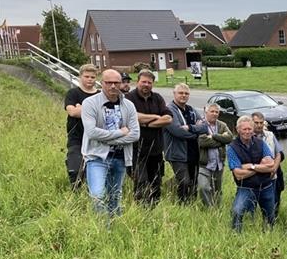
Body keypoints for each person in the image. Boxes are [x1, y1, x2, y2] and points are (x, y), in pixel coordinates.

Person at [80, 69, 140, 217]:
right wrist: (120, 132)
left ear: (121, 84)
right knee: (98, 195)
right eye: (109, 83)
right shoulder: (90, 103)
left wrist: (107, 138)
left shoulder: (129, 106)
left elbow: (135, 134)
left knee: (115, 196)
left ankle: (114, 228)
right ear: (102, 83)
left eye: (116, 82)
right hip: (97, 157)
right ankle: (102, 229)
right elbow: (91, 132)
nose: (113, 86)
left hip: (120, 157)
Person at [125, 69, 172, 205]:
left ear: (153, 84)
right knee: (141, 182)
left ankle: (154, 209)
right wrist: (156, 117)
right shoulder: (129, 98)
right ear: (137, 82)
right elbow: (132, 117)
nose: (146, 85)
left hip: (156, 150)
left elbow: (168, 118)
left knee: (156, 183)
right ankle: (141, 211)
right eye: (143, 82)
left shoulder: (157, 98)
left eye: (149, 82)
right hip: (136, 150)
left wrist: (145, 124)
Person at [228, 115, 277, 232]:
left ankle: (269, 235)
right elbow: (238, 174)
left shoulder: (261, 143)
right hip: (245, 187)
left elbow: (271, 166)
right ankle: (236, 235)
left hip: (266, 186)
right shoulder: (232, 148)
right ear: (238, 129)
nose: (247, 132)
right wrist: (261, 166)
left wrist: (251, 166)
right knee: (237, 211)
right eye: (244, 129)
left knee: (270, 215)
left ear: (253, 129)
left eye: (249, 129)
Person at [164, 83, 207, 203]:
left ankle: (191, 206)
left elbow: (205, 127)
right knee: (184, 181)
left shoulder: (191, 110)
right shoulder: (169, 110)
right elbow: (177, 131)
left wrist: (189, 127)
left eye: (186, 93)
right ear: (174, 94)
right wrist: (196, 132)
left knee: (193, 182)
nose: (183, 95)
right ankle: (182, 204)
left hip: (193, 152)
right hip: (177, 153)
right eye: (180, 93)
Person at [64, 63, 100, 189]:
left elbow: (104, 115)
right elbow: (72, 112)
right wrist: (93, 110)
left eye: (92, 77)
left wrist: (81, 108)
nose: (90, 79)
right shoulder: (73, 93)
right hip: (76, 137)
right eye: (86, 76)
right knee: (75, 170)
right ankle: (76, 194)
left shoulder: (100, 95)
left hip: (96, 139)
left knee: (94, 171)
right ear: (80, 77)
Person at [197, 103, 233, 207]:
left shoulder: (222, 125)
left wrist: (213, 136)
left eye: (216, 112)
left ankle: (217, 209)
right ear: (206, 112)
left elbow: (230, 138)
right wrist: (221, 140)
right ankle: (209, 209)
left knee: (217, 190)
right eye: (212, 111)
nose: (214, 114)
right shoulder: (200, 124)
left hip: (219, 164)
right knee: (203, 187)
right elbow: (202, 142)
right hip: (204, 164)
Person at [252, 112, 285, 215]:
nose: (259, 125)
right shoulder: (247, 136)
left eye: (261, 123)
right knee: (252, 201)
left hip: (271, 175)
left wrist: (274, 168)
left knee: (272, 200)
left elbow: (278, 153)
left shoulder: (270, 135)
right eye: (256, 122)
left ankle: (271, 220)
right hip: (254, 175)